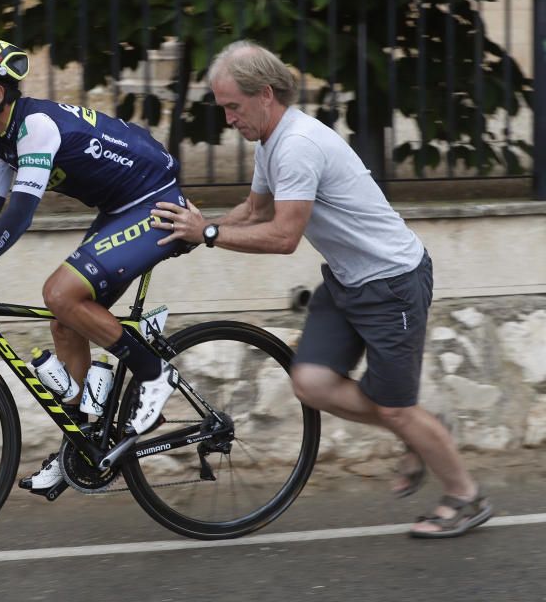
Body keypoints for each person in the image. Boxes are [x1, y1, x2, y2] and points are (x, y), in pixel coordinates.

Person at [151, 39, 493, 539]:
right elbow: (255, 212)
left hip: (392, 282)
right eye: (223, 107)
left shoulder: (298, 146)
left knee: (397, 408)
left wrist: (208, 234)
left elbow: (284, 236)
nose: (228, 119)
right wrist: (198, 227)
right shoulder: (272, 142)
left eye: (233, 106)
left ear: (265, 95)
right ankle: (425, 427)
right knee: (311, 382)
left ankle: (466, 496)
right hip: (347, 279)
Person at [0, 38, 186, 495]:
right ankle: (88, 443)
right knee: (66, 324)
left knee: (59, 294)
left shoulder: (36, 127)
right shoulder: (1, 139)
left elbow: (19, 215)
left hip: (154, 203)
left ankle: (153, 374)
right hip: (121, 206)